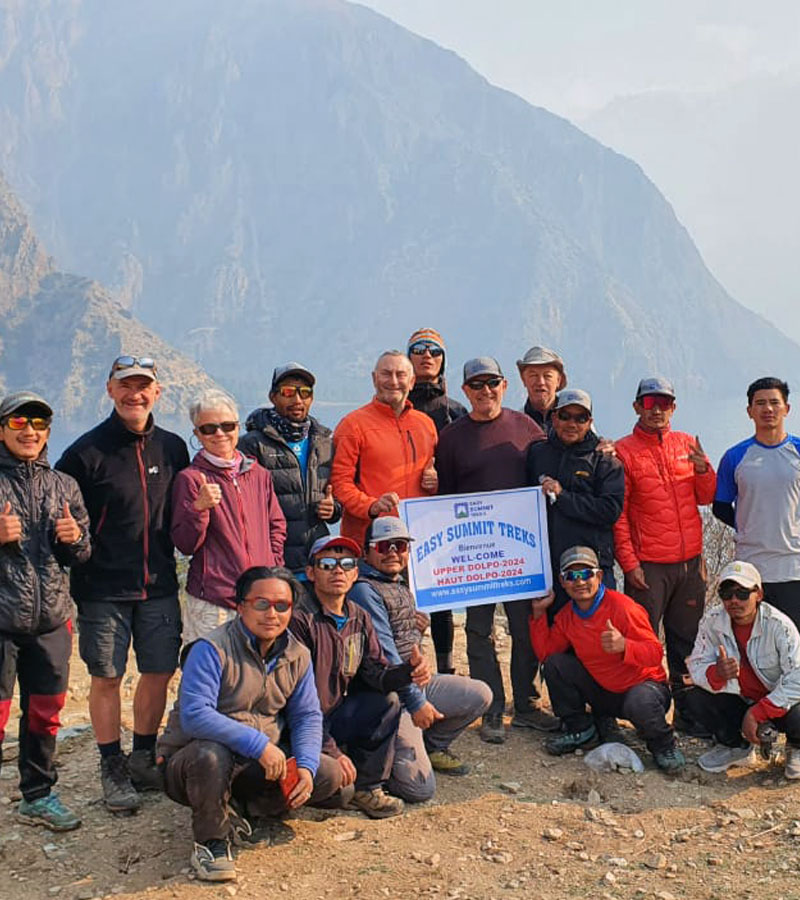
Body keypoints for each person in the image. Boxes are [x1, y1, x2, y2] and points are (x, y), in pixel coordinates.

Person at [56, 356, 190, 813]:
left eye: (144, 387)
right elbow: (62, 516)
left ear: (158, 392)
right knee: (107, 677)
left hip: (159, 584)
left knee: (158, 671)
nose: (136, 394)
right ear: (110, 390)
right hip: (102, 589)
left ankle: (142, 756)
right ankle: (111, 765)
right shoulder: (84, 453)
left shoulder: (173, 448)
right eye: (126, 386)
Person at [158, 566, 331, 882]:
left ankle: (242, 807)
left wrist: (305, 766)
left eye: (282, 606)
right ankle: (211, 841)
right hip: (195, 761)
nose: (272, 614)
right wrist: (260, 744)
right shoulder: (210, 649)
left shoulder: (298, 654)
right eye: (261, 604)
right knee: (210, 755)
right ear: (240, 606)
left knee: (327, 775)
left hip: (257, 763)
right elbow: (195, 715)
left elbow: (306, 715)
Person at [436, 356, 556, 743]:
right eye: (477, 385)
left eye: (493, 383)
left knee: (525, 631)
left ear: (505, 386)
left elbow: (547, 472)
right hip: (476, 555)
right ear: (465, 390)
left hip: (520, 552)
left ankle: (526, 705)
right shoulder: (452, 437)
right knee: (478, 631)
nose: (485, 391)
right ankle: (490, 709)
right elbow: (446, 498)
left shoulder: (527, 428)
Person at [348, 516, 491, 801]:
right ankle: (378, 755)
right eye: (384, 545)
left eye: (399, 545)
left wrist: (417, 633)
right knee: (419, 789)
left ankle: (432, 744)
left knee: (481, 694)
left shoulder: (399, 584)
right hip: (388, 696)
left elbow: (404, 645)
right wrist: (417, 703)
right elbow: (387, 655)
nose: (392, 552)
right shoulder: (364, 589)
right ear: (367, 552)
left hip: (413, 683)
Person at [0, 392, 90, 831]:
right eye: (19, 423)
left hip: (51, 619)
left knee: (46, 711)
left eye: (38, 423)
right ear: (2, 430)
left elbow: (82, 553)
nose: (29, 431)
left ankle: (37, 795)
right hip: (1, 620)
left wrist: (73, 539)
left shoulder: (64, 485)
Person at [290, 535, 421, 819]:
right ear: (311, 573)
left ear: (355, 573)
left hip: (334, 716)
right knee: (335, 791)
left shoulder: (358, 616)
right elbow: (296, 701)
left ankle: (368, 787)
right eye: (327, 564)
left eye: (346, 563)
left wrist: (407, 672)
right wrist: (330, 749)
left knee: (387, 701)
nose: (337, 570)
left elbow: (376, 673)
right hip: (299, 725)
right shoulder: (299, 621)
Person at [613, 376, 716, 734]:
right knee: (642, 643)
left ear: (673, 407)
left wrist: (704, 470)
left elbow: (705, 498)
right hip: (649, 566)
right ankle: (647, 718)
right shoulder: (624, 451)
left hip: (690, 564)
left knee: (687, 644)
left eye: (664, 402)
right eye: (649, 402)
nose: (656, 409)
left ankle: (688, 717)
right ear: (637, 406)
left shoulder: (687, 443)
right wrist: (629, 563)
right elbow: (619, 516)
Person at [531, 546, 685, 772]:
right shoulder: (567, 616)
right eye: (571, 576)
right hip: (605, 693)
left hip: (643, 689)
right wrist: (538, 614)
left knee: (639, 701)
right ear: (562, 582)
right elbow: (546, 653)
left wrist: (625, 646)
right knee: (556, 664)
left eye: (586, 574)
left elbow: (654, 653)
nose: (579, 582)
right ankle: (580, 729)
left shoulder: (623, 607)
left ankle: (663, 745)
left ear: (599, 576)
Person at [171, 389, 287, 642]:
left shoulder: (258, 474)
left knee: (256, 676)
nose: (220, 434)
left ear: (237, 427)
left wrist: (273, 566)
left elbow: (276, 525)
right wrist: (199, 508)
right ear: (197, 434)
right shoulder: (190, 479)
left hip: (260, 598)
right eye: (209, 428)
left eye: (227, 426)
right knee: (210, 675)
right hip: (213, 601)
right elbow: (186, 544)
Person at [685, 560, 800, 778]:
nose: (734, 600)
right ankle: (735, 746)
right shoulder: (711, 621)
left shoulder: (780, 625)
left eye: (742, 593)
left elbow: (798, 677)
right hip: (739, 698)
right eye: (727, 593)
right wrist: (716, 674)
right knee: (694, 697)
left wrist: (759, 712)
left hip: (776, 701)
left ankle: (796, 746)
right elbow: (696, 665)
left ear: (758, 594)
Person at [238, 363, 340, 588]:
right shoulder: (252, 444)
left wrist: (333, 509)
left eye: (305, 393)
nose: (297, 400)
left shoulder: (324, 442)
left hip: (316, 561)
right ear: (273, 397)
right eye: (288, 392)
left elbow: (338, 495)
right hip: (276, 562)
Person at [526, 388, 624, 613]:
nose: (572, 423)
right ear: (554, 418)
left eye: (580, 418)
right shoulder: (537, 454)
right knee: (555, 639)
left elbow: (610, 510)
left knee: (598, 636)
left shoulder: (605, 460)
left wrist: (563, 497)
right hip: (550, 569)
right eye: (565, 416)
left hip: (592, 570)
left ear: (589, 422)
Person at [713, 378, 800, 630]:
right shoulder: (735, 456)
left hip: (793, 565)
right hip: (751, 567)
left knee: (794, 641)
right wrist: (747, 528)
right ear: (750, 411)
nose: (768, 409)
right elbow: (720, 505)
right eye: (760, 403)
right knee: (752, 640)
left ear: (787, 408)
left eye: (774, 402)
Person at [406, 328, 467, 676]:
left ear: (444, 360)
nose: (427, 355)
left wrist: (445, 481)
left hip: (442, 513)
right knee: (401, 597)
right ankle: (407, 666)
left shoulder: (455, 412)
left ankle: (444, 667)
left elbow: (466, 464)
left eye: (435, 351)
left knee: (441, 596)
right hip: (404, 511)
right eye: (418, 349)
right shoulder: (396, 405)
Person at [330, 350, 438, 543]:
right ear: (374, 378)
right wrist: (371, 506)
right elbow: (339, 483)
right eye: (386, 374)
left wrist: (435, 482)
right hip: (369, 541)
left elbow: (436, 477)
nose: (394, 381)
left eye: (401, 375)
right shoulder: (352, 425)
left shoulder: (426, 424)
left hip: (417, 540)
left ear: (412, 381)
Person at [516, 346, 567, 430]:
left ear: (558, 380)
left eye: (547, 376)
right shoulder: (515, 424)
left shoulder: (576, 421)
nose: (540, 382)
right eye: (533, 375)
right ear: (523, 379)